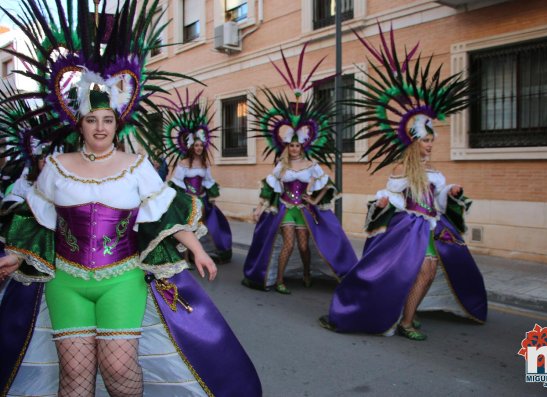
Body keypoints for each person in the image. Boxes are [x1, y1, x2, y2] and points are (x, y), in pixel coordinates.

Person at [0, 1, 262, 396]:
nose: (100, 127)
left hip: (122, 278)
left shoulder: (136, 165)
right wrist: (15, 257)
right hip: (65, 281)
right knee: (73, 377)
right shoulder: (56, 166)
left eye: (107, 120)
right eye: (92, 120)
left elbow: (161, 215)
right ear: (80, 123)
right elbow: (40, 219)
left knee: (120, 371)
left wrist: (199, 250)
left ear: (116, 122)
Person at [319, 24, 487, 340]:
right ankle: (405, 320)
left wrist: (451, 192)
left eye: (431, 141)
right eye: (426, 141)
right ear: (413, 142)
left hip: (431, 227)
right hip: (408, 230)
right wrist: (384, 201)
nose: (430, 145)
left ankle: (408, 315)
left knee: (429, 271)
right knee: (418, 271)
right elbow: (394, 199)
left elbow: (437, 204)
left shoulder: (436, 172)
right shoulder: (400, 171)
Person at [242, 43, 357, 294]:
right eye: (290, 145)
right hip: (285, 210)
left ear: (303, 145)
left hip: (304, 209)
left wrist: (313, 198)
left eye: (297, 145)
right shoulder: (280, 167)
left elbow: (328, 184)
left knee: (305, 246)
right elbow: (269, 189)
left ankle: (306, 273)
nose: (294, 149)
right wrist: (259, 208)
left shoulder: (312, 165)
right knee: (289, 244)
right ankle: (280, 279)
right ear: (287, 146)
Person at [162, 89, 233, 263]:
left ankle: (196, 254)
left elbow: (208, 181)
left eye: (202, 146)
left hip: (201, 198)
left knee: (202, 225)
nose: (199, 148)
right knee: (189, 226)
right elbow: (176, 182)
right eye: (197, 145)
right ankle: (186, 256)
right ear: (191, 147)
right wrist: (181, 199)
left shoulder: (204, 164)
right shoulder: (184, 163)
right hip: (188, 200)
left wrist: (212, 196)